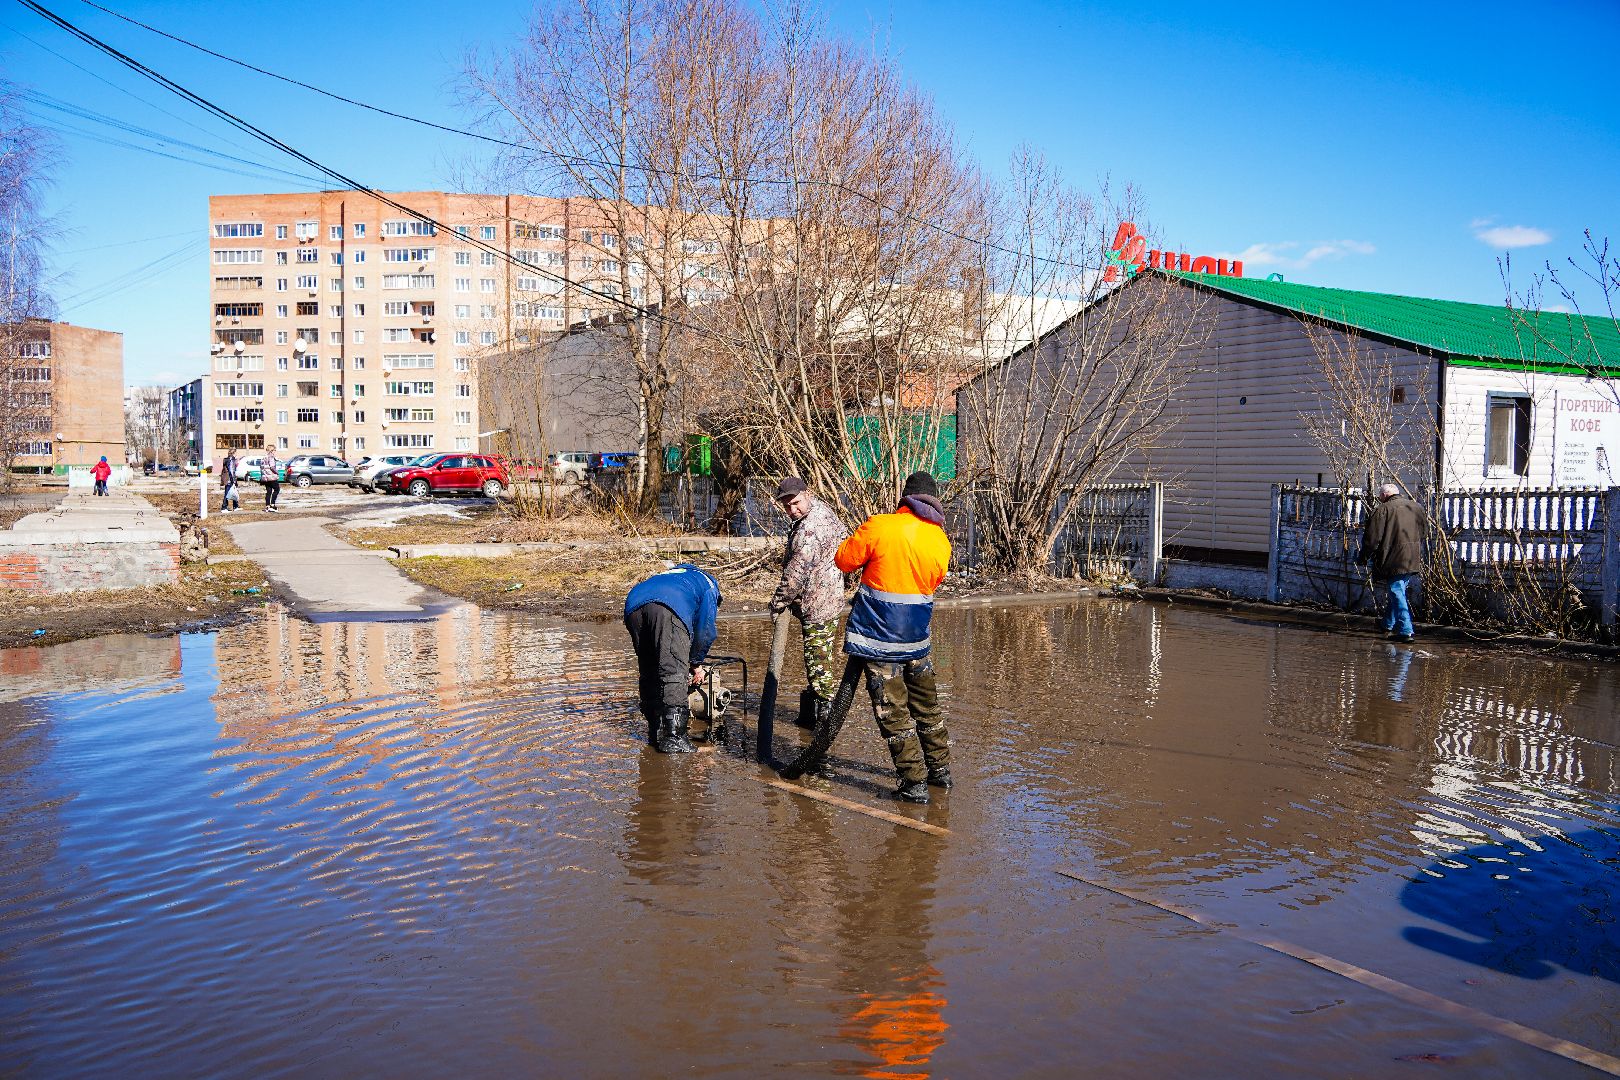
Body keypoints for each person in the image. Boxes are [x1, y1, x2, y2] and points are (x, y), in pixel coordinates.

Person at [835, 471, 952, 803]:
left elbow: (843, 560)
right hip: (917, 639)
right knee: (927, 706)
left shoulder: (881, 525)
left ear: (905, 498)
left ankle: (914, 783)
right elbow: (933, 581)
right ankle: (940, 773)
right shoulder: (940, 540)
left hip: (877, 639)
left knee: (893, 711)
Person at [770, 476, 850, 731]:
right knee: (818, 656)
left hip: (819, 602)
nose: (792, 510)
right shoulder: (822, 510)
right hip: (828, 594)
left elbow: (796, 573)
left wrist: (778, 602)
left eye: (795, 503)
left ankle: (826, 719)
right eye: (787, 506)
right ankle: (811, 716)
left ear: (807, 494)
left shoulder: (809, 529)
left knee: (818, 661)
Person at [624, 563, 723, 754]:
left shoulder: (673, 575)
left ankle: (654, 729)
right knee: (673, 672)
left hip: (633, 604)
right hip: (669, 605)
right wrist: (696, 663)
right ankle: (675, 738)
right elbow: (705, 631)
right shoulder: (710, 585)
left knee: (650, 669)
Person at [1359, 482, 1426, 643]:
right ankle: (1387, 623)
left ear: (1384, 495)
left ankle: (1406, 630)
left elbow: (1372, 539)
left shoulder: (1382, 510)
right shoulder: (1416, 507)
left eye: (1379, 496)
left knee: (1396, 591)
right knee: (1398, 590)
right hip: (1412, 557)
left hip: (1393, 558)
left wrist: (1363, 556)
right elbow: (1424, 532)